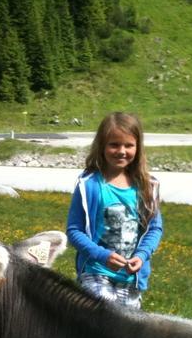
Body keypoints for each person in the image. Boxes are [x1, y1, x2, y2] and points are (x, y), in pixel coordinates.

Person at [66, 112, 163, 308]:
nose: (121, 151)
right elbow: (74, 230)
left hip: (131, 278)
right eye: (114, 144)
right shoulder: (89, 185)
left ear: (138, 147)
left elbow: (155, 229)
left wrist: (142, 255)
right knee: (103, 324)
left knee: (126, 335)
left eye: (128, 145)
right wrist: (102, 255)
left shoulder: (147, 186)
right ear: (102, 146)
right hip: (96, 273)